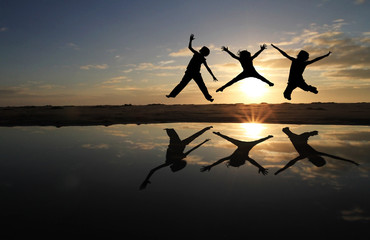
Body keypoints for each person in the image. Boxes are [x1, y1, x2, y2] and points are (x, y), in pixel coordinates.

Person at [140, 126, 212, 190]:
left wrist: (146, 180)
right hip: (178, 145)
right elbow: (193, 149)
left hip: (177, 145)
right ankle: (206, 128)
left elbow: (153, 170)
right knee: (178, 133)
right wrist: (204, 142)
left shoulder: (171, 161)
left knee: (173, 131)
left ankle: (206, 128)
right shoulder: (172, 161)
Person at [274, 127, 359, 175]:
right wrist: (351, 161)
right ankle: (311, 133)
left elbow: (291, 163)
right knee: (301, 135)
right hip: (301, 139)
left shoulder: (304, 156)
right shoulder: (314, 154)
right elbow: (335, 157)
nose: (311, 161)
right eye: (314, 161)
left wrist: (281, 170)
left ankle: (307, 133)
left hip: (296, 139)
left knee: (287, 131)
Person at [166, 34, 217, 102]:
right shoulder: (197, 54)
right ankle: (172, 94)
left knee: (200, 86)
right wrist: (190, 40)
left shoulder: (201, 58)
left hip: (194, 73)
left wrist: (213, 76)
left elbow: (208, 68)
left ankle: (208, 97)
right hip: (190, 72)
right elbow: (189, 47)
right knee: (189, 85)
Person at [200, 131, 272, 175]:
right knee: (230, 139)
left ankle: (219, 134)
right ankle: (219, 134)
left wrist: (211, 166)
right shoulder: (238, 158)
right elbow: (253, 162)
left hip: (242, 145)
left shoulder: (238, 158)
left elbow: (220, 160)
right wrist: (260, 167)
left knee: (230, 139)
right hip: (245, 145)